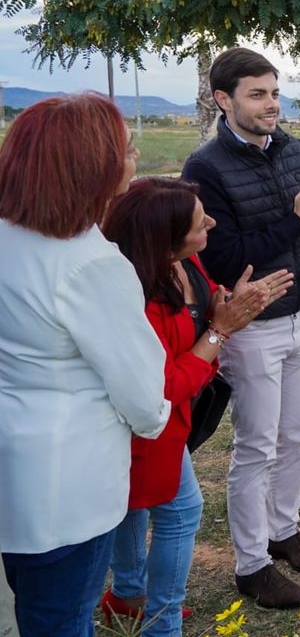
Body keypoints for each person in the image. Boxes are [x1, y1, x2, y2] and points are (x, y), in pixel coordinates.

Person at [0, 94, 170, 637]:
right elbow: (143, 397)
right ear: (90, 165)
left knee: (34, 607)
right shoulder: (90, 263)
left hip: (14, 471)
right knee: (63, 620)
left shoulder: (10, 237)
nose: (135, 156)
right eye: (125, 148)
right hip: (68, 488)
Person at [181, 47, 300, 609]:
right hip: (251, 327)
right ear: (224, 100)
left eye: (274, 92)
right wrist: (298, 214)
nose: (271, 103)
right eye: (258, 94)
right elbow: (225, 261)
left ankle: (284, 530)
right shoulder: (204, 169)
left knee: (298, 431)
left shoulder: (294, 148)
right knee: (256, 445)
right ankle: (251, 565)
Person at [99, 178, 294, 635]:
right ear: (163, 238)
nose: (211, 221)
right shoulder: (139, 301)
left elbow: (202, 313)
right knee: (181, 510)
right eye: (197, 220)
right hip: (145, 425)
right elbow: (165, 386)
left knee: (133, 507)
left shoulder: (183, 265)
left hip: (162, 426)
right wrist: (220, 332)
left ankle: (128, 595)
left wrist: (227, 304)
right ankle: (163, 622)